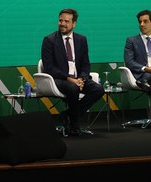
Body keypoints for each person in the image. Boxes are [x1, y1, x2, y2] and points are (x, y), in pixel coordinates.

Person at [40, 8, 104, 136]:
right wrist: (69, 79)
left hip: (77, 78)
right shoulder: (49, 40)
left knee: (98, 90)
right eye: (60, 20)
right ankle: (75, 125)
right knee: (73, 88)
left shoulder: (81, 39)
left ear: (74, 24)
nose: (62, 23)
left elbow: (85, 63)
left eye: (66, 21)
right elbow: (49, 68)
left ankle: (67, 115)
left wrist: (82, 78)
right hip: (59, 79)